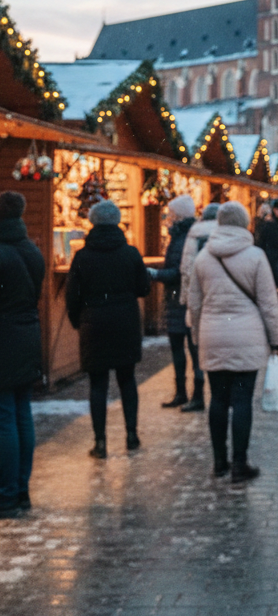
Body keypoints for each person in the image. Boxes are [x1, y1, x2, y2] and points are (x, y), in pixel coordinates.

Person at [189, 201, 278, 481]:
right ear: (244, 223)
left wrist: (196, 335)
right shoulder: (255, 256)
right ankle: (239, 464)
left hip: (212, 335)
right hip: (247, 337)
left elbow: (194, 303)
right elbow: (269, 303)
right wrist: (276, 339)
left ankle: (219, 461)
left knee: (217, 399)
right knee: (242, 401)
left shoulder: (204, 257)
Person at [66, 199, 150, 458]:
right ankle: (132, 434)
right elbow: (143, 288)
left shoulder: (82, 256)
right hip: (125, 321)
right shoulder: (131, 253)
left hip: (95, 323)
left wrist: (78, 320)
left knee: (98, 384)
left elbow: (73, 295)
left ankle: (100, 442)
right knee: (127, 380)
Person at [0, 192, 45, 518]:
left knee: (4, 418)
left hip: (4, 339)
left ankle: (6, 494)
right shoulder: (32, 251)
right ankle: (22, 488)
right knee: (21, 413)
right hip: (28, 336)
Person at [149, 195, 203, 410]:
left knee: (187, 349)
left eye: (171, 213)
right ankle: (186, 393)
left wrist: (155, 274)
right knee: (186, 349)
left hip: (182, 300)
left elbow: (180, 273)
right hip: (180, 300)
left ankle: (192, 394)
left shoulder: (183, 238)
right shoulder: (184, 235)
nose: (168, 217)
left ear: (179, 215)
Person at [176, 201, 220, 411]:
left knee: (196, 350)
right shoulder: (227, 233)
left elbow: (186, 272)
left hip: (199, 300)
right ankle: (219, 394)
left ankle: (198, 393)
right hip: (221, 303)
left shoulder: (193, 235)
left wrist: (186, 302)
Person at [254, 197, 278, 339]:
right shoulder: (268, 227)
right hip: (270, 266)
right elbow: (260, 245)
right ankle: (272, 329)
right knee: (272, 300)